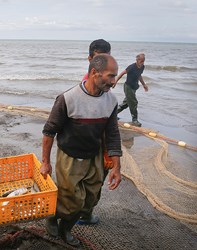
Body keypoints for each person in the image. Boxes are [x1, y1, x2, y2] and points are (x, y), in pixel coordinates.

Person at [41, 54, 122, 246]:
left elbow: (113, 135)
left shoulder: (111, 101)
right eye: (111, 76)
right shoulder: (68, 99)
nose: (114, 82)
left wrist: (117, 167)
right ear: (94, 73)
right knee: (72, 200)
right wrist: (46, 162)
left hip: (93, 156)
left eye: (115, 76)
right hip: (70, 157)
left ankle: (59, 217)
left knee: (90, 199)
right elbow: (48, 131)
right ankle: (62, 226)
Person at [77, 38, 112, 226]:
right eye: (97, 59)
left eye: (105, 60)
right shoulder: (89, 85)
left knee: (93, 180)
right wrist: (106, 151)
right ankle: (83, 215)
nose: (101, 65)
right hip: (91, 143)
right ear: (89, 58)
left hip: (96, 141)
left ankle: (82, 213)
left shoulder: (101, 82)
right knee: (92, 181)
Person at [113, 53, 148, 127]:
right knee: (134, 102)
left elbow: (139, 76)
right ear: (137, 60)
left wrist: (144, 84)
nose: (142, 63)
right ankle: (135, 120)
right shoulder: (132, 67)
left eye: (143, 61)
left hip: (134, 87)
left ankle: (113, 115)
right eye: (141, 61)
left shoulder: (142, 67)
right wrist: (115, 81)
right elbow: (122, 73)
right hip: (128, 87)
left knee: (126, 104)